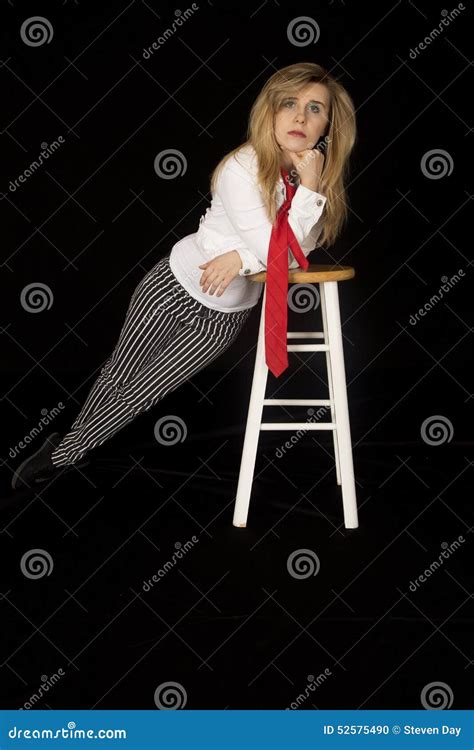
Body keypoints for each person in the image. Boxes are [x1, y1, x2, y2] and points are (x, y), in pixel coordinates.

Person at [11, 61, 356, 491]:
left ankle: (65, 450)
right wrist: (253, 257)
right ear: (270, 110)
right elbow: (277, 247)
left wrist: (247, 251)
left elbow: (295, 256)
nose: (300, 117)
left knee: (143, 392)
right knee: (120, 374)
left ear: (328, 124)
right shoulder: (242, 168)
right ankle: (62, 455)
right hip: (173, 286)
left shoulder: (316, 185)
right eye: (290, 103)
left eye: (315, 108)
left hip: (224, 316)